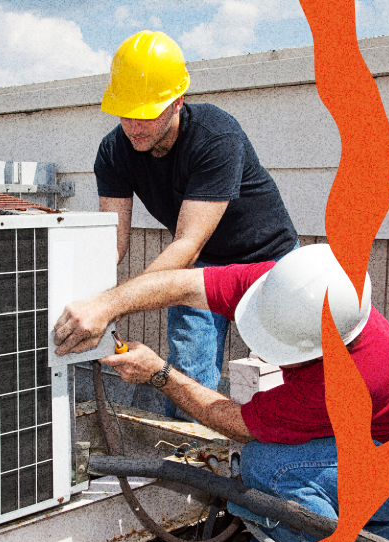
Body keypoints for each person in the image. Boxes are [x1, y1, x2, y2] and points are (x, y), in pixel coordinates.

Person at [52, 245, 389, 542]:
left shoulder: (351, 375)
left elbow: (239, 424)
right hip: (381, 437)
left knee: (269, 469)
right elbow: (182, 284)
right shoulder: (290, 287)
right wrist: (106, 304)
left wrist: (160, 375)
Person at [95, 30, 298, 420]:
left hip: (269, 262)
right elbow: (113, 244)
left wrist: (113, 303)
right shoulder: (113, 151)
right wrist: (88, 296)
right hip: (202, 265)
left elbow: (187, 243)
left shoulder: (215, 136)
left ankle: (285, 462)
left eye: (148, 113)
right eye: (126, 113)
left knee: (291, 371)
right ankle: (194, 468)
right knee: (187, 374)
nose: (135, 126)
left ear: (177, 102)